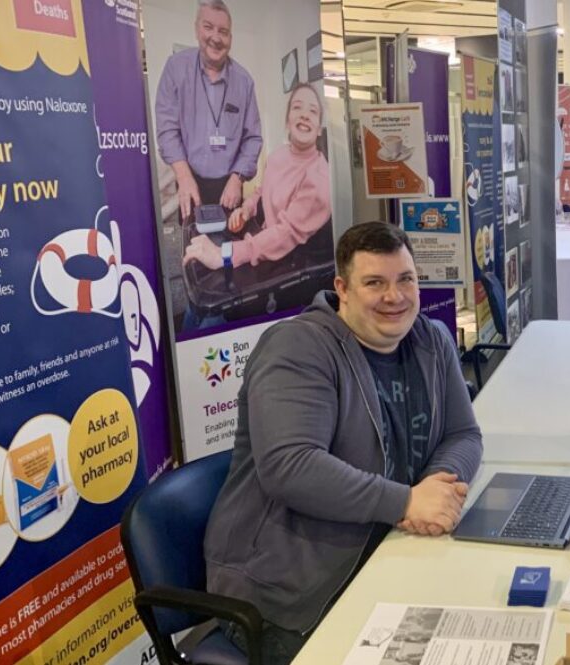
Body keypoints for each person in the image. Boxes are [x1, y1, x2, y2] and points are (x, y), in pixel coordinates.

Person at [204, 222, 483, 664]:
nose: (395, 297)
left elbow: (462, 434)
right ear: (343, 288)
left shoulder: (431, 340)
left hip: (390, 555)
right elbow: (291, 467)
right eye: (375, 282)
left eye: (405, 280)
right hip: (290, 596)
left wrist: (436, 488)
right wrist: (406, 502)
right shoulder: (297, 349)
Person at [183, 83, 331, 270]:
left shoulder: (319, 179)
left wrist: (225, 254)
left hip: (292, 261)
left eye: (313, 111)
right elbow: (262, 191)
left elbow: (286, 234)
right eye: (297, 107)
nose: (304, 114)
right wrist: (246, 209)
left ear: (319, 129)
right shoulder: (277, 156)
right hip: (262, 239)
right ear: (287, 121)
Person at [155, 0, 262, 220]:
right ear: (196, 29)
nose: (216, 37)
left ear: (230, 38)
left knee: (231, 250)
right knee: (194, 250)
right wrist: (183, 177)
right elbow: (167, 129)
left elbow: (253, 138)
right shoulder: (176, 68)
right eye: (208, 27)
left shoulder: (244, 82)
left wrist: (237, 179)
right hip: (188, 179)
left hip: (230, 185)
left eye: (223, 31)